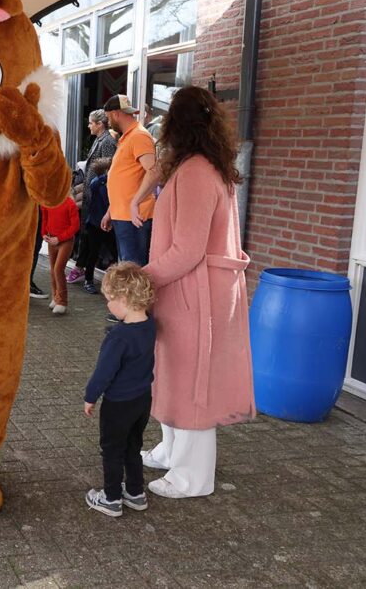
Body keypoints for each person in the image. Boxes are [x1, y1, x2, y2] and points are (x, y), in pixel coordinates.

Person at [139, 85, 255, 499]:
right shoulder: (208, 167)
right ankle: (172, 452)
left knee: (192, 382)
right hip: (193, 292)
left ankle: (192, 477)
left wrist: (141, 279)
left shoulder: (194, 173)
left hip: (194, 294)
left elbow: (187, 251)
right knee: (175, 372)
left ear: (175, 125)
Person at [83, 262, 156, 518]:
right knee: (133, 446)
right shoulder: (150, 326)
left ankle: (111, 498)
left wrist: (90, 397)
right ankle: (135, 493)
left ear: (123, 299)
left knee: (112, 450)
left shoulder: (118, 337)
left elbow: (103, 373)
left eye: (109, 300)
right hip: (142, 400)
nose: (107, 305)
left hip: (118, 405)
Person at [100, 95, 156, 266]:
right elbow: (125, 179)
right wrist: (111, 210)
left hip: (134, 217)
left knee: (133, 272)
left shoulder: (139, 136)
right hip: (125, 215)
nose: (108, 122)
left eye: (108, 117)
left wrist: (134, 203)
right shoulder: (128, 137)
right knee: (129, 270)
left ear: (116, 114)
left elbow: (154, 171)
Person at [67, 110, 118, 284]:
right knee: (87, 234)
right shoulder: (100, 139)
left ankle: (85, 270)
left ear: (100, 124)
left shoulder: (108, 142)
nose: (88, 125)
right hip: (91, 195)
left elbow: (108, 170)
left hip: (98, 198)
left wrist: (96, 190)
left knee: (92, 236)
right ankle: (81, 268)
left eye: (91, 123)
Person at [78, 157, 118, 294]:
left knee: (115, 252)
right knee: (93, 253)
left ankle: (114, 281)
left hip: (108, 224)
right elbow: (95, 187)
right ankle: (88, 280)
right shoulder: (98, 183)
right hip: (95, 224)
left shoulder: (111, 183)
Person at [40, 193, 80, 315]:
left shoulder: (70, 204)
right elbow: (45, 219)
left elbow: (75, 226)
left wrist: (59, 238)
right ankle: (56, 297)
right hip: (51, 239)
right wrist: (44, 233)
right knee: (53, 270)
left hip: (65, 241)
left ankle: (62, 301)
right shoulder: (48, 203)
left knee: (58, 269)